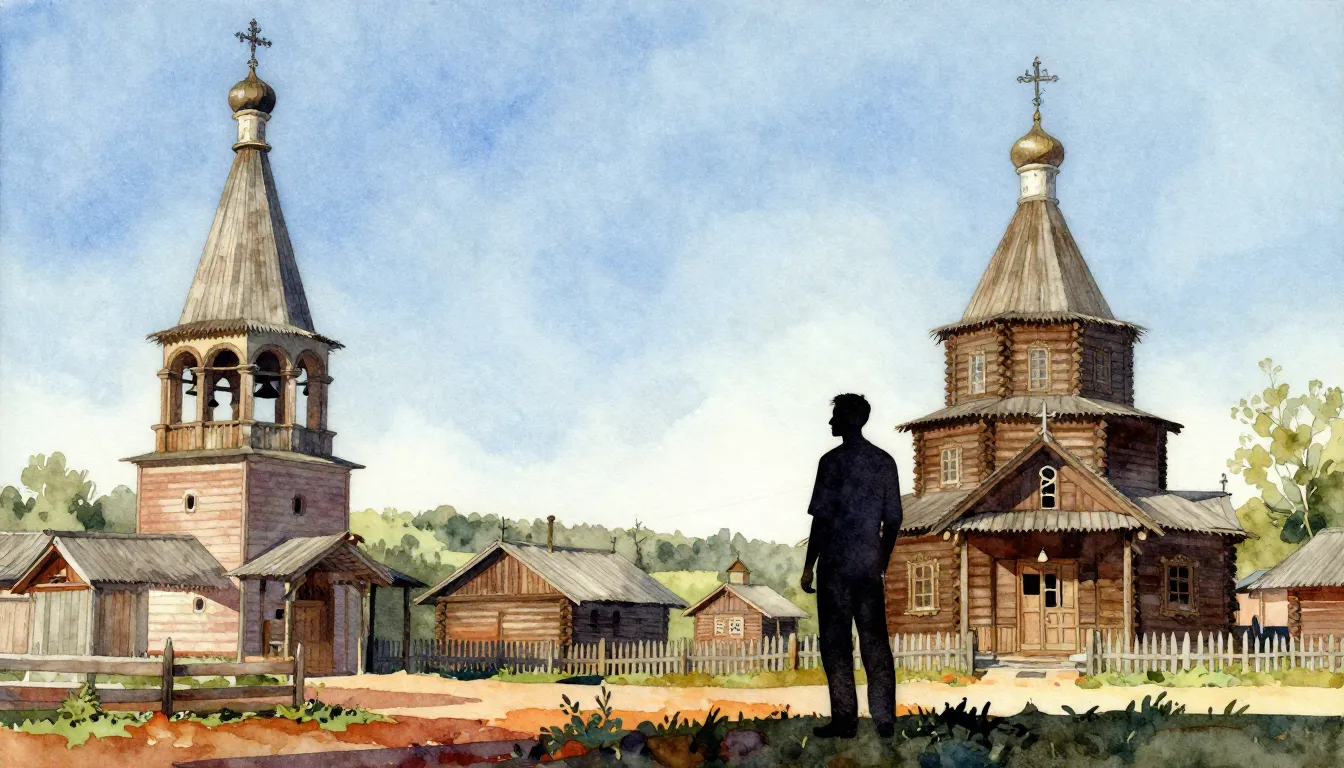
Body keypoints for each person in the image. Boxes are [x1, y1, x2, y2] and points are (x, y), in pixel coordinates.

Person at [801, 393, 902, 738]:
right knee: (875, 641)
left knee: (835, 643)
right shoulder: (884, 461)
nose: (831, 422)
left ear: (848, 420)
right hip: (868, 566)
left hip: (834, 566)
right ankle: (884, 720)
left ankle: (845, 721)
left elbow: (820, 521)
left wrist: (808, 566)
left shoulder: (830, 462)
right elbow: (894, 520)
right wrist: (881, 560)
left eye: (835, 417)